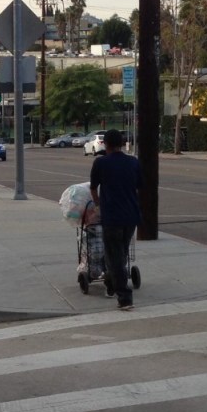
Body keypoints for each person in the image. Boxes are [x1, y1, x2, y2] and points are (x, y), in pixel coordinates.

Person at [89, 129, 142, 310]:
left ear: (105, 144)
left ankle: (124, 297)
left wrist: (98, 207)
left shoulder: (100, 163)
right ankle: (112, 284)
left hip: (112, 217)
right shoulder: (133, 162)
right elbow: (139, 187)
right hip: (131, 217)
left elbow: (93, 188)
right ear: (122, 143)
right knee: (121, 253)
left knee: (115, 258)